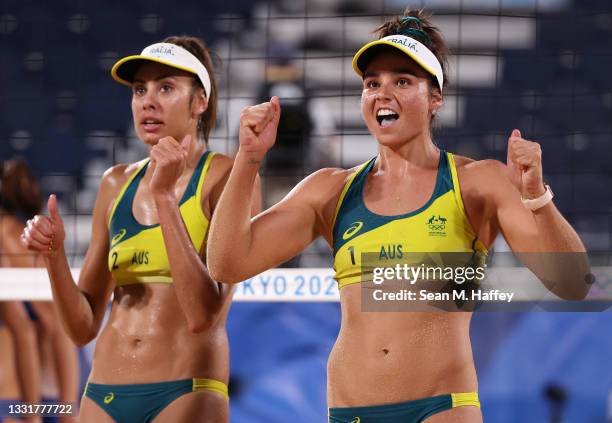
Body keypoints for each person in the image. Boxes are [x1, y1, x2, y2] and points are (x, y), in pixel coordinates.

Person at [207, 9, 588, 423]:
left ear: (435, 98)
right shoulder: (330, 190)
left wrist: (536, 197)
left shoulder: (478, 182)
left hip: (440, 408)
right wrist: (247, 159)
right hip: (351, 411)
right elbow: (227, 262)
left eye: (402, 81)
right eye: (373, 83)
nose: (382, 93)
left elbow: (571, 283)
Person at [22, 36, 256, 423]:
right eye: (139, 89)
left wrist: (164, 196)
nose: (148, 101)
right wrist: (54, 256)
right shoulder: (115, 183)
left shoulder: (227, 175)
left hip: (185, 390)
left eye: (166, 87)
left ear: (200, 102)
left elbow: (205, 313)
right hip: (102, 392)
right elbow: (82, 327)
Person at [0, 158, 79, 423]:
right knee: (50, 326)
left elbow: (25, 329)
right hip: (48, 393)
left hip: (24, 397)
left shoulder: (12, 233)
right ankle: (64, 412)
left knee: (35, 328)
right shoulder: (24, 232)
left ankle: (43, 414)